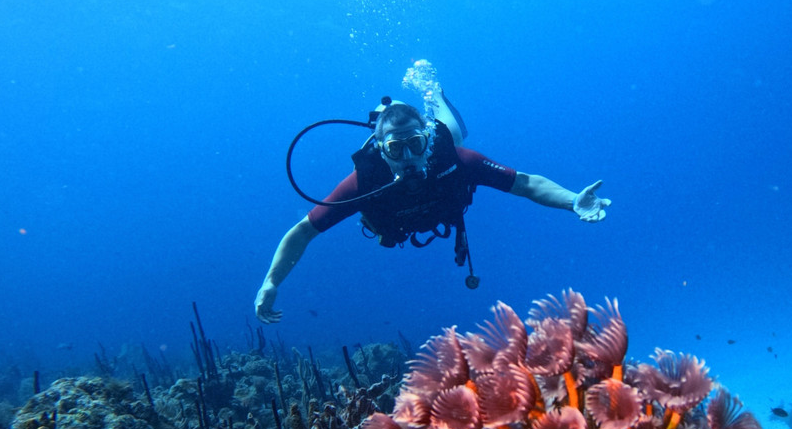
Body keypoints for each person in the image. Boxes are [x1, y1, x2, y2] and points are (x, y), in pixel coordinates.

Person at [254, 92, 610, 324]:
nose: (408, 157)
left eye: (415, 144)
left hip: (445, 152)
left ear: (426, 141)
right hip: (398, 218)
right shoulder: (364, 182)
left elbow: (525, 183)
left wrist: (571, 200)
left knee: (454, 132)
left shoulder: (452, 158)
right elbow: (304, 231)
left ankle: (433, 96)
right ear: (381, 151)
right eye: (396, 150)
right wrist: (271, 281)